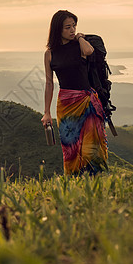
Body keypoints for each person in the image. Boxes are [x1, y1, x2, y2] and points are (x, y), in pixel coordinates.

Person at [41, 10, 108, 175]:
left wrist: (79, 37)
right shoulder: (49, 54)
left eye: (74, 26)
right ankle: (74, 181)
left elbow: (89, 51)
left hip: (86, 100)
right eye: (67, 27)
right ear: (58, 30)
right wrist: (46, 112)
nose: (72, 30)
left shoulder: (80, 45)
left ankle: (96, 181)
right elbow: (49, 83)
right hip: (65, 103)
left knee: (91, 147)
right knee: (70, 146)